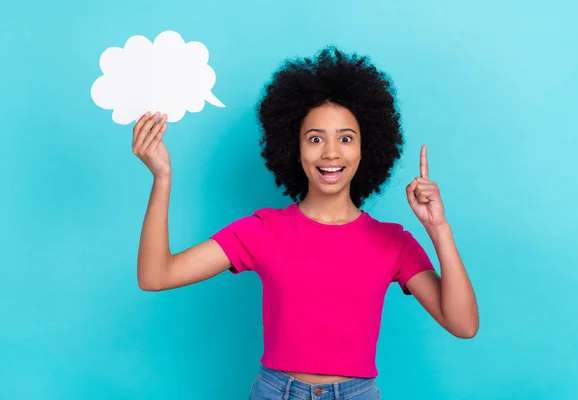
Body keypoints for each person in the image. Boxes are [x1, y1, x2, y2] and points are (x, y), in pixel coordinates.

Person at [132, 46, 479, 399]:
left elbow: (463, 325)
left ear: (365, 148)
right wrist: (162, 178)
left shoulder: (394, 242)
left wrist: (439, 229)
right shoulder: (261, 230)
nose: (331, 153)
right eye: (315, 139)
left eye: (346, 138)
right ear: (295, 148)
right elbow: (156, 276)